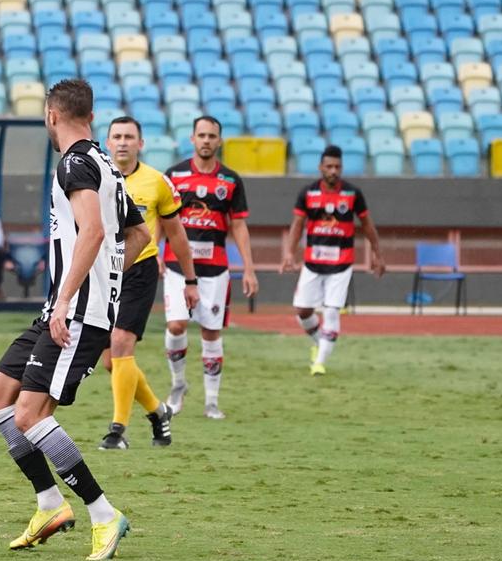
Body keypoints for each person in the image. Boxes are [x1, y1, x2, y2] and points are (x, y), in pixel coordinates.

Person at [0, 79, 151, 561]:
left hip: (74, 313)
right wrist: (104, 278)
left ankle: (103, 513)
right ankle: (50, 504)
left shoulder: (74, 163)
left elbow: (92, 230)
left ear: (52, 116)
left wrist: (70, 297)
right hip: (67, 307)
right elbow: (140, 235)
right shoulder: (107, 165)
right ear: (91, 117)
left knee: (30, 415)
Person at [97, 116, 199, 450]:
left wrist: (190, 280)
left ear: (141, 144)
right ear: (107, 142)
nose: (122, 142)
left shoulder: (157, 182)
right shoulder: (95, 178)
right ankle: (158, 412)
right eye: (116, 136)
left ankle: (117, 431)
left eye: (129, 137)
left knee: (121, 343)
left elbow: (177, 235)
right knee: (110, 360)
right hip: (103, 272)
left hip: (140, 270)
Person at [161, 116, 258, 420]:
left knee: (211, 332)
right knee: (176, 325)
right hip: (177, 265)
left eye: (211, 136)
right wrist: (155, 251)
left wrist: (249, 268)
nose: (206, 140)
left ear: (219, 141)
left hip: (215, 269)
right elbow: (162, 217)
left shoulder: (231, 180)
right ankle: (178, 385)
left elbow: (238, 225)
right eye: (201, 135)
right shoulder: (174, 175)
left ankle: (211, 402)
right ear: (192, 139)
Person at [280, 145, 387, 375]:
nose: (333, 171)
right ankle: (320, 343)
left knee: (331, 310)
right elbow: (297, 225)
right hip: (312, 262)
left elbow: (367, 225)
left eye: (337, 167)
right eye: (329, 166)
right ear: (321, 167)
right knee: (302, 311)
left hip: (341, 264)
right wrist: (289, 253)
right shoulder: (308, 193)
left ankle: (319, 363)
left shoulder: (352, 194)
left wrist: (377, 254)